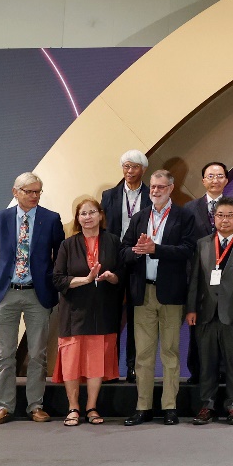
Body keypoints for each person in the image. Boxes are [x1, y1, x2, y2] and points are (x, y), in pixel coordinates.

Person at [0, 172, 65, 425]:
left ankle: (35, 406)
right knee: (5, 354)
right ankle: (4, 406)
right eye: (29, 191)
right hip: (6, 293)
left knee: (38, 354)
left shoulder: (51, 219)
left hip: (37, 294)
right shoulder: (0, 218)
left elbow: (59, 258)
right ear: (15, 192)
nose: (34, 196)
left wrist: (52, 286)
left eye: (38, 191)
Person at [121, 169, 197, 426]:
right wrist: (137, 250)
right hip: (143, 293)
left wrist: (156, 249)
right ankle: (143, 407)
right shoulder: (140, 217)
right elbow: (124, 251)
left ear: (171, 188)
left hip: (171, 293)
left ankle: (170, 406)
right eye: (153, 187)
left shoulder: (184, 216)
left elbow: (188, 250)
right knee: (143, 354)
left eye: (161, 187)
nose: (155, 191)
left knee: (170, 352)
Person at [51, 196, 125, 426]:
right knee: (72, 360)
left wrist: (112, 277)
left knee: (96, 361)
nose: (88, 217)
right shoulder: (68, 244)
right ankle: (73, 407)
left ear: (101, 215)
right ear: (77, 219)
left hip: (103, 310)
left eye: (92, 212)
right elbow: (58, 279)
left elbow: (123, 274)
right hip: (74, 311)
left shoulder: (113, 241)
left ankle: (92, 407)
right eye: (83, 213)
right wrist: (86, 279)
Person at [187, 197, 233, 425]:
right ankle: (207, 405)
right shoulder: (202, 244)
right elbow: (195, 279)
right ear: (213, 218)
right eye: (220, 215)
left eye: (229, 216)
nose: (224, 220)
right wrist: (191, 308)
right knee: (207, 362)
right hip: (205, 312)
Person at [100, 150, 149, 383]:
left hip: (141, 261)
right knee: (111, 315)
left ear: (143, 170)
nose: (130, 172)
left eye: (134, 167)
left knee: (135, 316)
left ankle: (133, 366)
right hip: (114, 260)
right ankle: (110, 367)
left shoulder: (152, 195)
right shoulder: (109, 195)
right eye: (126, 167)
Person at [181, 161, 230, 385]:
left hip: (228, 277)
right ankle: (197, 370)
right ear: (203, 181)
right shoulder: (190, 208)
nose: (215, 180)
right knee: (198, 325)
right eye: (210, 176)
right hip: (198, 276)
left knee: (224, 324)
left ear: (226, 180)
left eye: (219, 176)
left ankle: (222, 370)